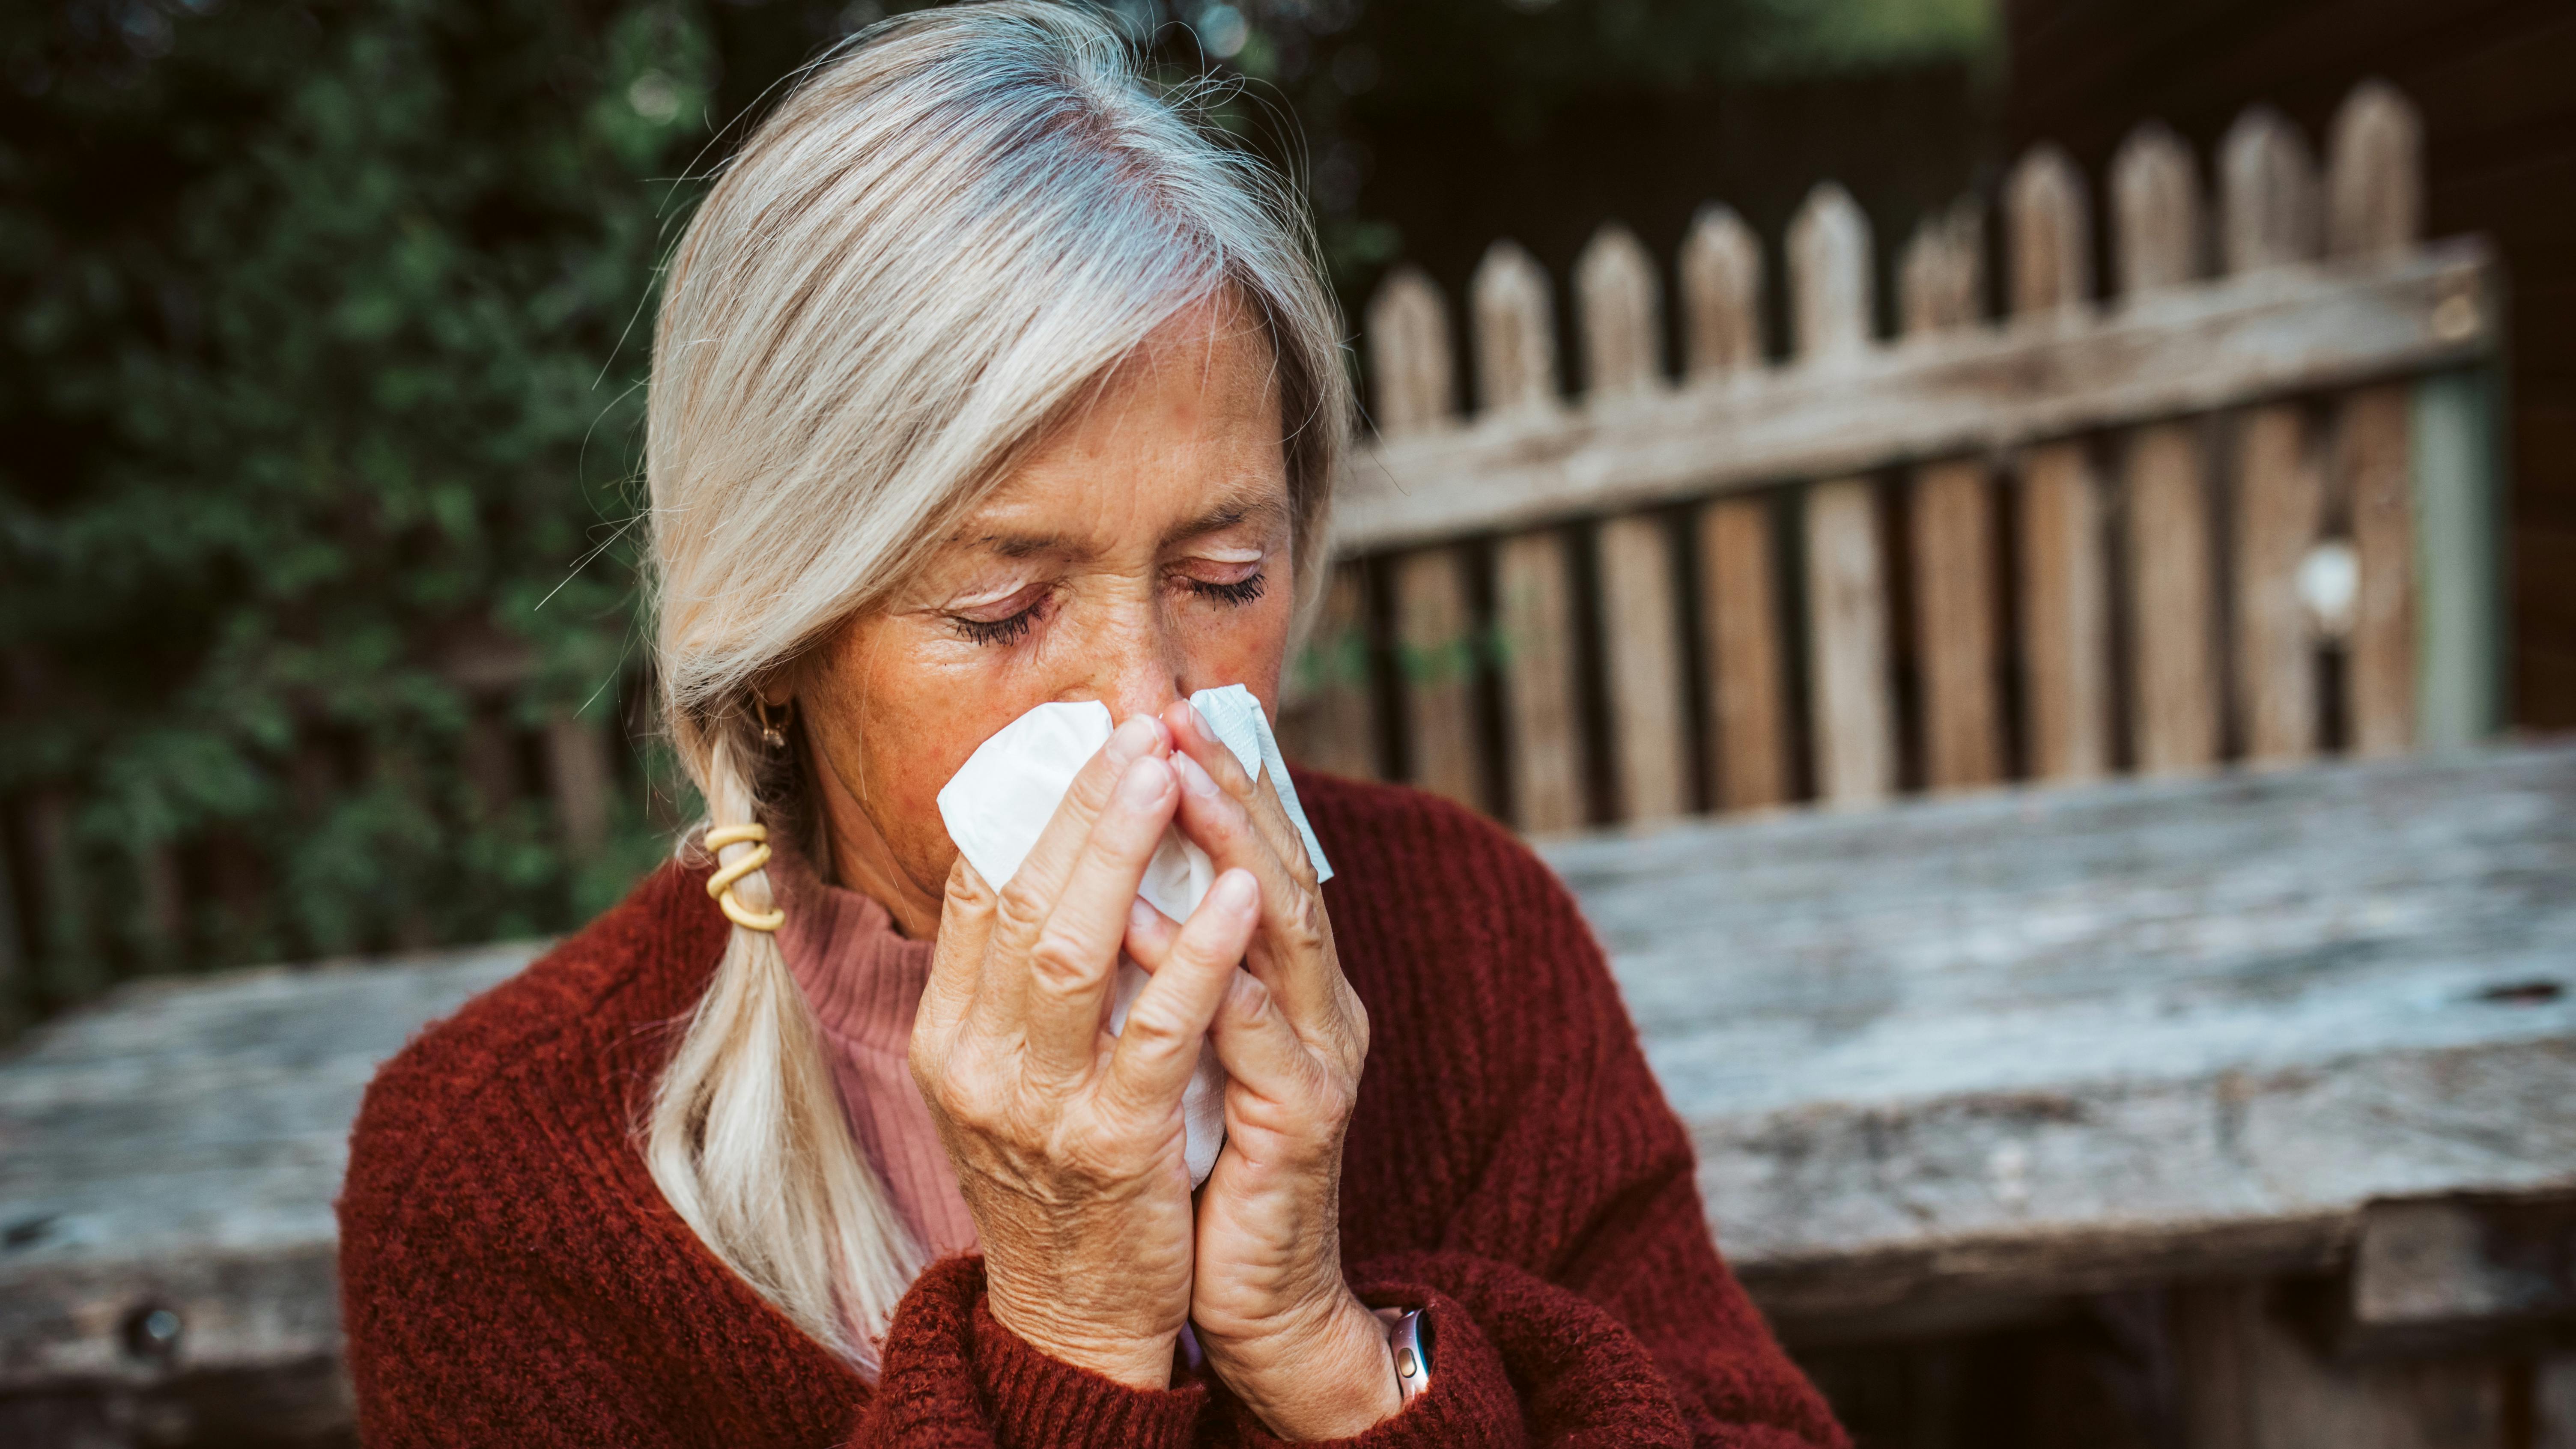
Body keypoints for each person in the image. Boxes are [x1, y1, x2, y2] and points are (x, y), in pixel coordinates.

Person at [337, 4, 1843, 1444]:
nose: (1146, 709)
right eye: (1001, 607)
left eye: (1220, 578)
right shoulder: (499, 1176)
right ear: (779, 636)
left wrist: (1340, 1363)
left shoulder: (1466, 939)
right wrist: (1065, 1340)